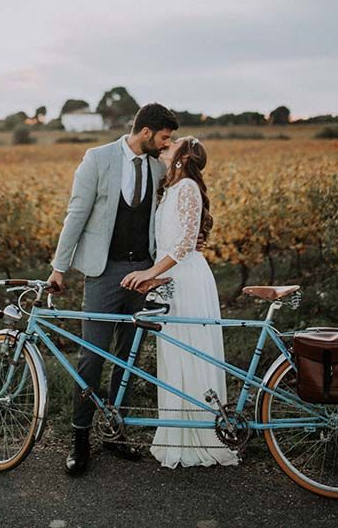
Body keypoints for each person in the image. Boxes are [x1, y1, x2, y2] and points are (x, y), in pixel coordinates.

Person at [47, 102, 179, 476]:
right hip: (103, 274)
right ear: (146, 133)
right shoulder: (97, 158)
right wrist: (59, 268)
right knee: (92, 357)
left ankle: (114, 433)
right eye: (164, 138)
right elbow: (77, 212)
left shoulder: (157, 166)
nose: (168, 145)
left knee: (129, 357)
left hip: (142, 273)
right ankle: (80, 439)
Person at [122, 136, 239, 468]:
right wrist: (157, 274)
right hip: (172, 277)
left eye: (172, 144)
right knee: (174, 354)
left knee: (190, 351)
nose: (165, 145)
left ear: (182, 158)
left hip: (186, 280)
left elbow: (185, 243)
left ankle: (200, 435)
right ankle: (178, 433)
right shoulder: (173, 189)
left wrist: (150, 273)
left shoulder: (187, 187)